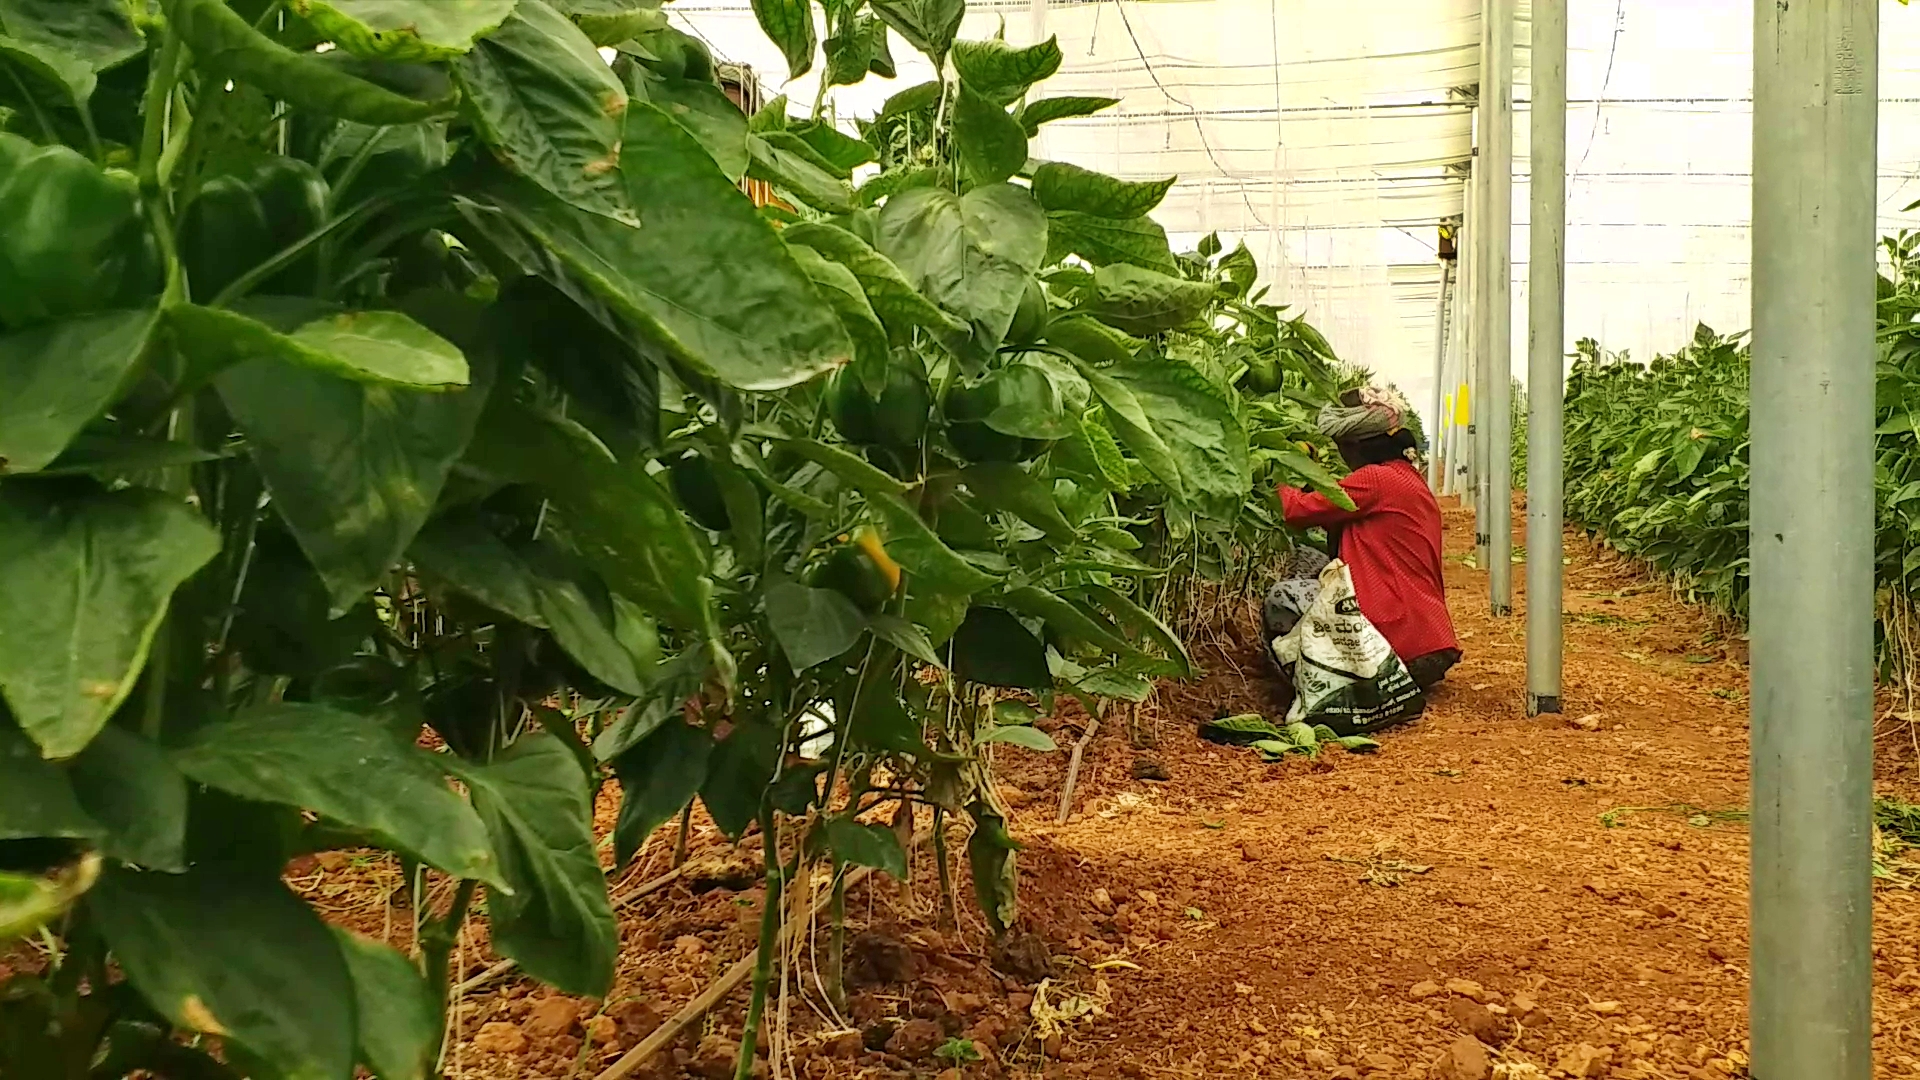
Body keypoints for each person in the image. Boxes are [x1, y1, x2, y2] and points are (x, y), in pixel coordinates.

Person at [1269, 387, 1461, 689]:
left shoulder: (1374, 479)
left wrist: (1274, 468)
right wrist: (1312, 475)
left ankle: (1322, 684)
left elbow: (1295, 509)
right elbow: (1329, 503)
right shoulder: (1404, 477)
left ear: (1358, 446)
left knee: (1283, 597)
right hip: (1428, 638)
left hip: (1394, 640)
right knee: (1314, 563)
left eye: (1342, 446)